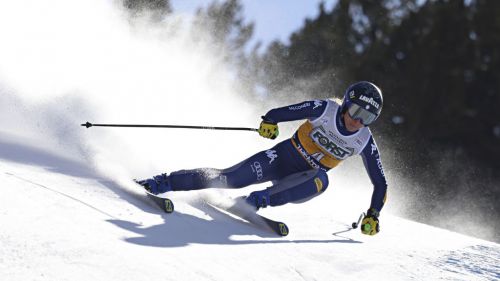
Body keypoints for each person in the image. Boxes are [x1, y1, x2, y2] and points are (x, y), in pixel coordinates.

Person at [139, 81, 388, 236]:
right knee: (229, 179)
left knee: (322, 180)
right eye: (356, 111)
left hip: (302, 178)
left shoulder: (363, 140)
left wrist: (373, 214)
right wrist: (269, 122)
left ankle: (255, 201)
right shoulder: (325, 109)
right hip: (281, 157)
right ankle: (162, 182)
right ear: (346, 104)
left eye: (367, 118)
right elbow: (282, 112)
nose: (357, 121)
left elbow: (380, 183)